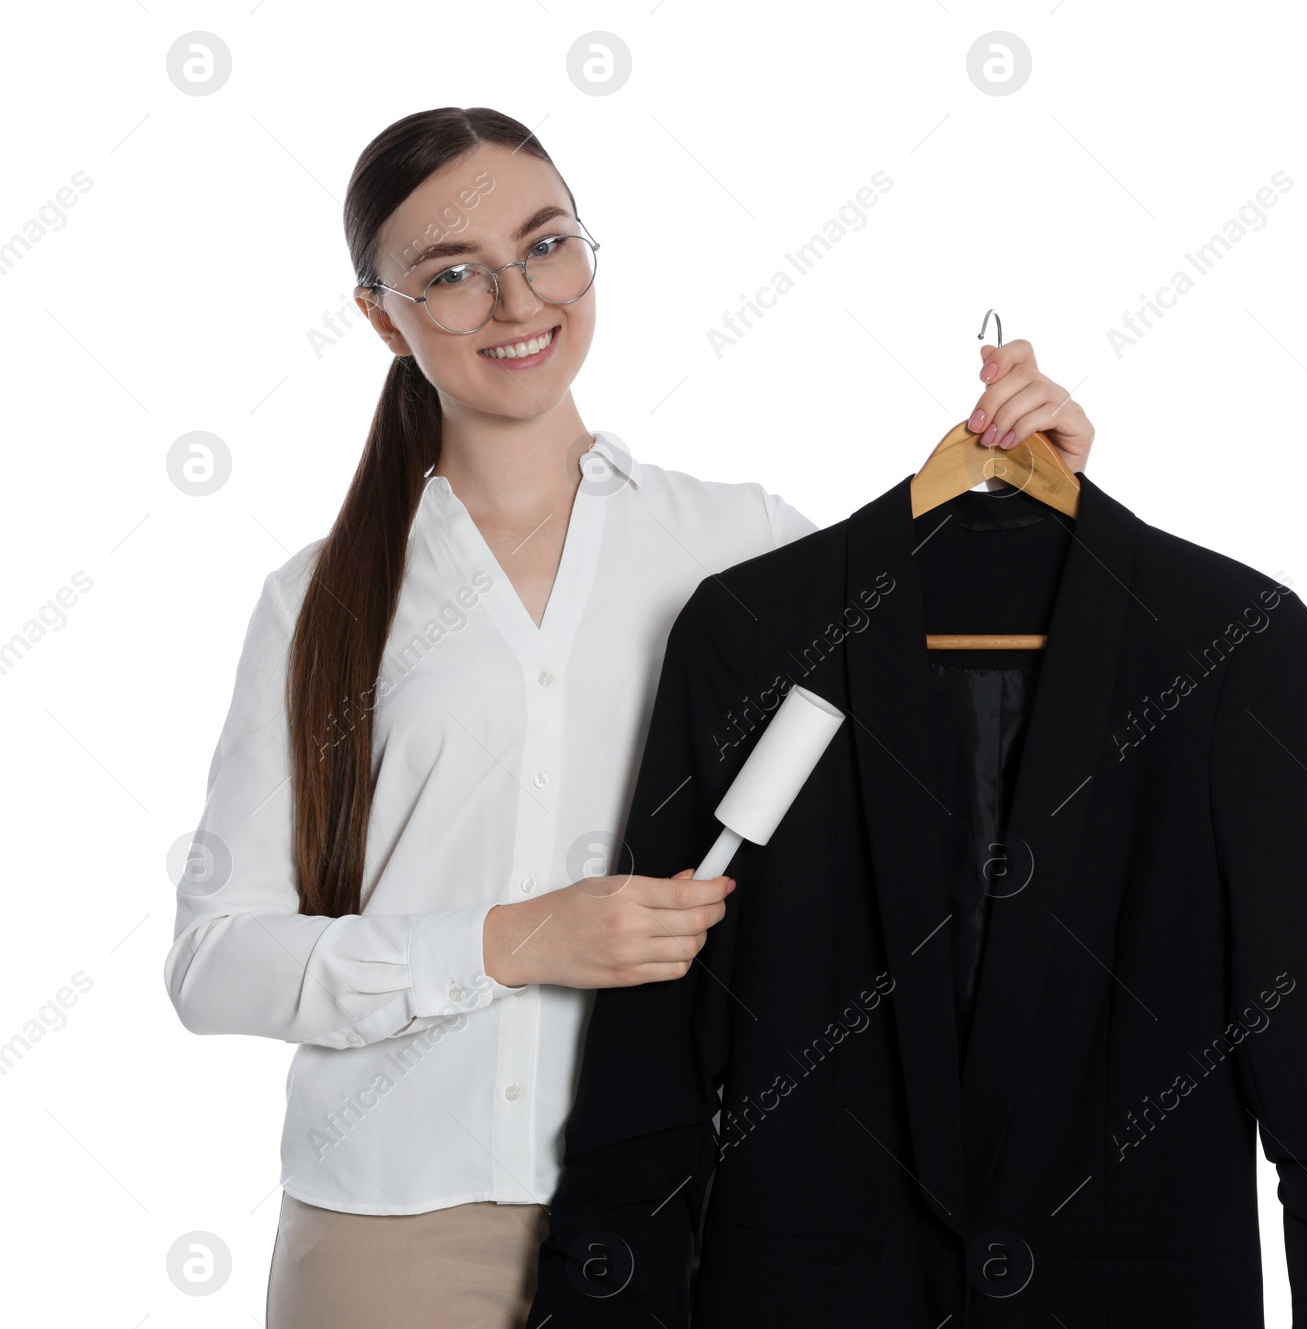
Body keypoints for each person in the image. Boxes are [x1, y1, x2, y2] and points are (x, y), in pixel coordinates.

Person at [161, 105, 1096, 1329]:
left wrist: (1043, 503)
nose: (515, 301)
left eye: (544, 246)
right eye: (451, 275)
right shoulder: (320, 601)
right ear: (381, 317)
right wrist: (507, 942)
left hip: (701, 1212)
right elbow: (212, 960)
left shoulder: (742, 543)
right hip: (390, 1232)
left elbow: (977, 743)